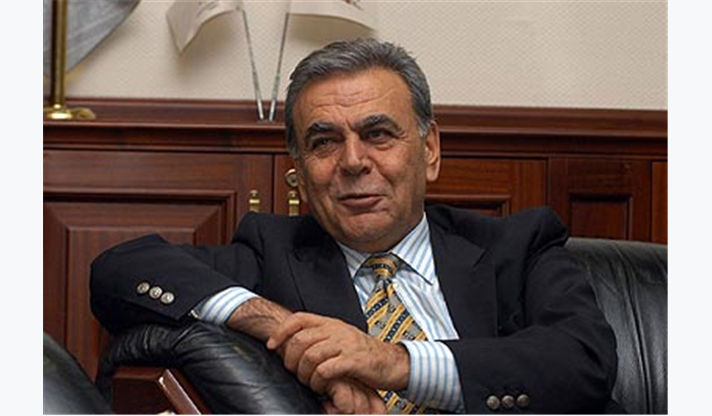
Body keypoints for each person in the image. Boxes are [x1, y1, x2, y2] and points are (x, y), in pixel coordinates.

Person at [91, 38, 618, 414]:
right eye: (324, 142)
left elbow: (584, 360)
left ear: (429, 150)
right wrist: (276, 324)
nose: (352, 162)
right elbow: (120, 269)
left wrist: (392, 362)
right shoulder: (270, 253)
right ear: (299, 173)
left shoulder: (516, 245)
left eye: (378, 134)